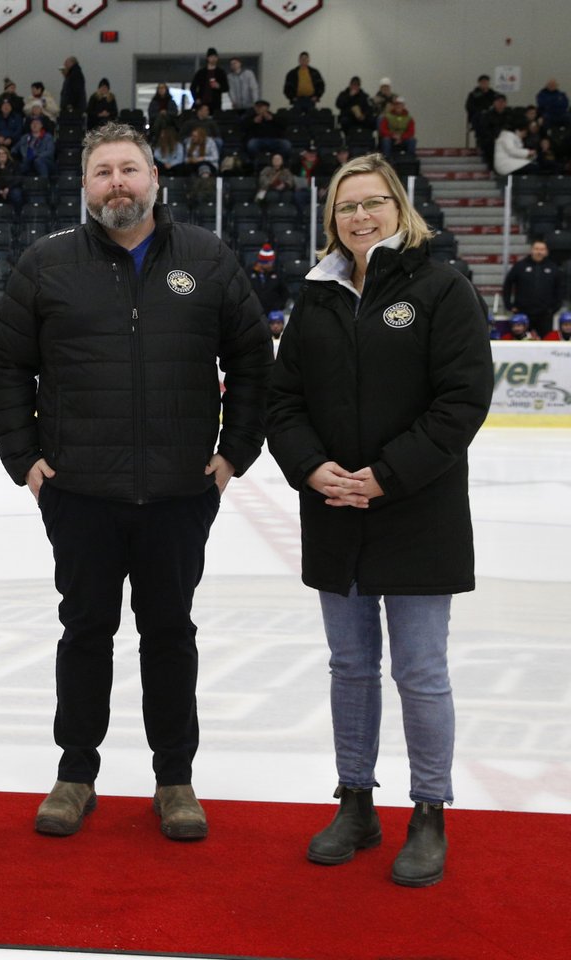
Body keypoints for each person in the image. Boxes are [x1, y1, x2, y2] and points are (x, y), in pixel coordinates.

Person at [0, 122, 271, 841]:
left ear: (155, 178)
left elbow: (254, 363)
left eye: (129, 170)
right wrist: (26, 461)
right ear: (84, 187)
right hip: (79, 493)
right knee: (85, 632)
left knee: (169, 634)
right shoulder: (47, 264)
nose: (118, 183)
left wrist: (232, 455)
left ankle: (175, 778)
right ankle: (75, 774)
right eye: (103, 172)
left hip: (179, 493)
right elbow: (8, 368)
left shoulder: (207, 258)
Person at [267, 152, 494, 888]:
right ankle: (356, 801)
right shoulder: (318, 295)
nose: (359, 217)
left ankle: (429, 810)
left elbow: (461, 402)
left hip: (416, 514)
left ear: (400, 206)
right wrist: (312, 468)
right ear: (330, 219)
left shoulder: (441, 286)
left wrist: (387, 475)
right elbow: (284, 403)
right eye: (345, 207)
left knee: (421, 672)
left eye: (372, 203)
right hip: (336, 512)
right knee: (350, 668)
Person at [502, 239, 561, 337]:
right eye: (536, 249)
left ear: (546, 251)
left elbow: (560, 289)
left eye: (542, 249)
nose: (539, 252)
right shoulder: (520, 266)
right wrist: (509, 305)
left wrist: (554, 308)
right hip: (523, 313)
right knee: (520, 341)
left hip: (544, 314)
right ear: (531, 250)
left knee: (546, 342)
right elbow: (508, 285)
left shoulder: (553, 268)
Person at [249, 244, 290, 316]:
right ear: (262, 262)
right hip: (254, 313)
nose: (271, 264)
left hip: (273, 314)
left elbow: (285, 293)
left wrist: (279, 307)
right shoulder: (249, 272)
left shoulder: (277, 274)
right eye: (269, 262)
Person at [189, 48, 227, 115]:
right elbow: (193, 87)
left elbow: (226, 88)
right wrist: (196, 98)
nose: (213, 59)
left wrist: (219, 86)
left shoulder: (221, 72)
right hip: (202, 102)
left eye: (215, 57)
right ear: (207, 58)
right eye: (211, 57)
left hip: (215, 103)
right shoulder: (201, 72)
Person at [0, 144, 23, 212]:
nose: (2, 155)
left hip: (10, 188)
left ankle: (17, 216)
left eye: (4, 153)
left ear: (7, 154)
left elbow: (18, 179)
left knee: (17, 194)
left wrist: (8, 188)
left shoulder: (14, 164)